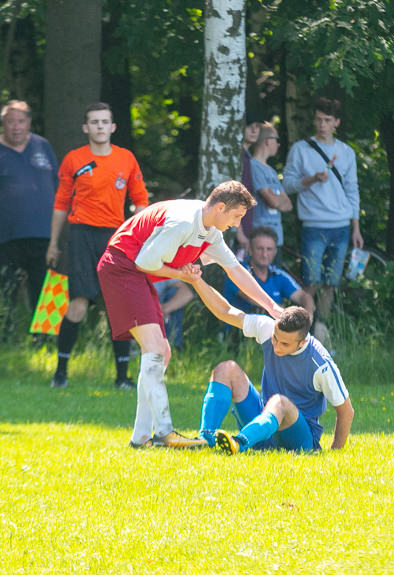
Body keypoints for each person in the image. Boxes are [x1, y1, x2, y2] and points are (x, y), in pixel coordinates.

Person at [96, 181, 284, 448]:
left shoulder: (210, 231)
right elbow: (145, 262)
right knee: (155, 350)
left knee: (162, 352)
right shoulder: (184, 222)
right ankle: (163, 433)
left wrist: (271, 307)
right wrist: (181, 274)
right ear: (220, 207)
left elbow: (236, 270)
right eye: (236, 216)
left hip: (134, 273)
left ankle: (140, 438)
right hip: (121, 267)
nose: (237, 224)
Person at [46, 102, 149, 389]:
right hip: (80, 235)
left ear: (113, 127)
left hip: (115, 236)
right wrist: (54, 243)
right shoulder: (73, 159)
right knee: (78, 303)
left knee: (118, 306)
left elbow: (141, 201)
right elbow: (60, 203)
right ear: (85, 128)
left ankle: (122, 378)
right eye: (94, 122)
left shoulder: (126, 159)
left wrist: (138, 237)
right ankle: (60, 373)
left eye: (105, 122)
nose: (100, 127)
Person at [189, 277, 353, 454]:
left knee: (279, 402)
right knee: (226, 368)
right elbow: (225, 311)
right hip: (264, 425)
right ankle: (205, 439)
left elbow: (346, 410)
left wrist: (335, 453)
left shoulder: (320, 362)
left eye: (284, 344)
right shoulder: (268, 328)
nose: (276, 346)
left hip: (299, 439)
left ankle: (239, 443)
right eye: (275, 338)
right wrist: (196, 280)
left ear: (302, 342)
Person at [0, 100, 57, 342]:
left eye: (21, 121)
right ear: (3, 124)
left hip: (43, 234)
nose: (16, 127)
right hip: (2, 236)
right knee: (4, 291)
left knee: (48, 289)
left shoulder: (42, 146)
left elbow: (58, 185)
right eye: (10, 122)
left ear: (29, 123)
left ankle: (46, 342)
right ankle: (5, 343)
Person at [282, 97, 363, 323]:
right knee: (311, 280)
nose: (322, 125)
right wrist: (311, 180)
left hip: (341, 224)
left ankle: (323, 326)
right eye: (318, 120)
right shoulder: (301, 149)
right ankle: (302, 325)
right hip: (313, 223)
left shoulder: (346, 152)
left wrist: (356, 227)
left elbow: (352, 190)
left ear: (336, 122)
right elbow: (287, 184)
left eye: (327, 120)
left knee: (331, 282)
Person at [223, 227, 315, 318]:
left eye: (269, 249)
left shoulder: (278, 274)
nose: (265, 254)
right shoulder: (237, 271)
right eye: (260, 249)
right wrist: (287, 314)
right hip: (241, 328)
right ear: (250, 250)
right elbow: (253, 299)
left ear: (275, 252)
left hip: (274, 327)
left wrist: (308, 314)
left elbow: (303, 296)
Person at [249, 122, 292, 256]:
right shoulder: (253, 166)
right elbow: (272, 201)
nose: (278, 144)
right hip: (260, 240)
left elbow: (288, 205)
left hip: (276, 239)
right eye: (277, 140)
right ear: (267, 141)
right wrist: (276, 199)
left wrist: (274, 197)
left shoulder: (272, 171)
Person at [235, 112, 263, 256]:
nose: (254, 130)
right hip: (236, 228)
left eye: (257, 126)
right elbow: (234, 196)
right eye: (249, 126)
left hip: (246, 226)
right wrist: (239, 233)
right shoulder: (238, 157)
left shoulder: (248, 157)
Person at [155, 278, 194, 350]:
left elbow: (187, 294)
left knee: (174, 295)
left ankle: (174, 349)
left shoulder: (159, 270)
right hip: (139, 314)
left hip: (160, 314)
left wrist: (164, 309)